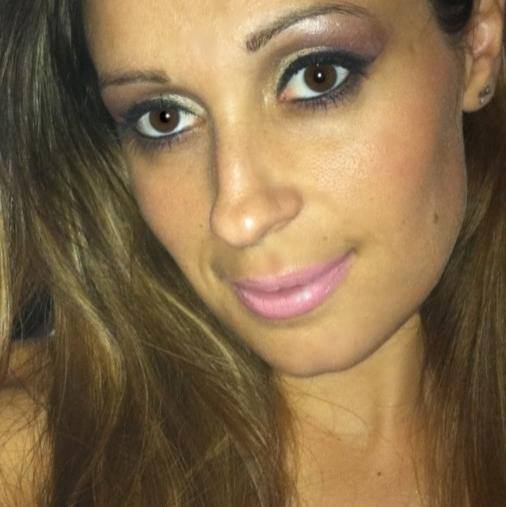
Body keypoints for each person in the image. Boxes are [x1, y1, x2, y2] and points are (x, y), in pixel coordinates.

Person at [0, 0, 505, 505]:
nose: (239, 215)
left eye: (317, 76)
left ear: (478, 43)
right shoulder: (37, 464)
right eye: (164, 117)